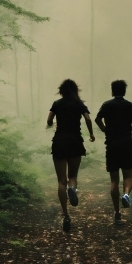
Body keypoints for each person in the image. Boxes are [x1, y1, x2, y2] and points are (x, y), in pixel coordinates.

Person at [47, 79, 95, 232]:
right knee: (72, 176)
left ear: (61, 90)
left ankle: (66, 215)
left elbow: (49, 120)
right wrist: (92, 134)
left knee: (61, 180)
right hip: (75, 142)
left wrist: (51, 125)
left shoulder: (57, 103)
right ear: (75, 90)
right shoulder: (79, 104)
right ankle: (72, 188)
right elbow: (88, 118)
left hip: (59, 142)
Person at [95, 79, 132, 226]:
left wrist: (105, 129)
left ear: (112, 91)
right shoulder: (130, 106)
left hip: (112, 146)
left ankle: (117, 214)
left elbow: (97, 119)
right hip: (127, 145)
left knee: (114, 180)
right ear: (125, 91)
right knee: (128, 176)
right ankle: (127, 194)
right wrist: (127, 128)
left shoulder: (106, 105)